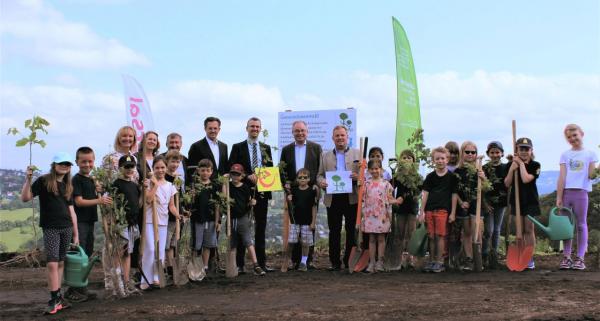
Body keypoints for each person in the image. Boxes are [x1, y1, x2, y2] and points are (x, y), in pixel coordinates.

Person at [21, 152, 79, 315]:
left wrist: (76, 234)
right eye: (61, 163)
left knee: (60, 262)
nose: (64, 166)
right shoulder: (44, 181)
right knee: (52, 263)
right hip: (51, 227)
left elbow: (72, 211)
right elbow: (25, 198)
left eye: (67, 164)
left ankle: (58, 297)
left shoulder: (68, 186)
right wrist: (28, 179)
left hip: (66, 227)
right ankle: (53, 299)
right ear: (54, 165)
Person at [64, 147, 111, 302]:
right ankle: (73, 290)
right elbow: (79, 201)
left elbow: (95, 194)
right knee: (80, 256)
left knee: (87, 254)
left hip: (89, 222)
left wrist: (99, 189)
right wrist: (99, 200)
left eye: (90, 161)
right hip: (80, 224)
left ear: (94, 161)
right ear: (77, 162)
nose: (87, 164)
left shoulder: (91, 179)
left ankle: (81, 288)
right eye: (83, 161)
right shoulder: (76, 180)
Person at [229, 117, 274, 272]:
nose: (255, 129)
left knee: (261, 228)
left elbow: (270, 169)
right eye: (252, 126)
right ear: (246, 128)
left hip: (261, 193)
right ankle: (240, 265)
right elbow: (232, 168)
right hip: (242, 193)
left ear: (260, 129)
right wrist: (247, 175)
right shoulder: (237, 147)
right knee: (241, 228)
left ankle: (261, 263)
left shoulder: (266, 148)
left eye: (257, 126)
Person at [279, 120, 322, 269]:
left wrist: (316, 184)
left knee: (309, 225)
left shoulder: (316, 148)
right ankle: (295, 260)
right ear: (292, 132)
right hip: (294, 192)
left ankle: (307, 260)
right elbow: (282, 171)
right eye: (297, 131)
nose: (300, 133)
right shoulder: (286, 149)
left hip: (310, 191)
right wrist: (286, 186)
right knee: (295, 223)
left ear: (307, 132)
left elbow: (319, 169)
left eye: (302, 130)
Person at [317, 125, 360, 271]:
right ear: (333, 138)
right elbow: (319, 175)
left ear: (347, 137)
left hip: (351, 197)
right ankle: (334, 262)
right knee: (334, 230)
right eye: (337, 136)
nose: (340, 138)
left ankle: (349, 260)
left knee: (350, 230)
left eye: (342, 135)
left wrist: (358, 177)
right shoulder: (325, 156)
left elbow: (365, 175)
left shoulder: (357, 154)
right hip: (332, 198)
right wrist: (321, 182)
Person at [556, 124, 598, 270]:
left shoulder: (590, 154)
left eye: (575, 135)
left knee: (581, 224)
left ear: (582, 134)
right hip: (566, 193)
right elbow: (562, 177)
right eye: (569, 137)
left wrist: (596, 170)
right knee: (566, 227)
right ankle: (566, 257)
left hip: (581, 193)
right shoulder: (565, 155)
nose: (572, 139)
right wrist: (559, 197)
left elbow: (591, 176)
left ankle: (580, 258)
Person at [141, 155, 180, 290]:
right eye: (157, 168)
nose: (160, 170)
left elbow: (171, 206)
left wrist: (178, 215)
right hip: (150, 221)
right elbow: (148, 200)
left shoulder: (170, 186)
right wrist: (155, 185)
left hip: (163, 222)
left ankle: (157, 277)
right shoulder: (148, 183)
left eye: (162, 167)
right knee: (151, 250)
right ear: (153, 169)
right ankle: (145, 280)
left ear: (166, 168)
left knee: (160, 252)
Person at [418, 147, 459, 273]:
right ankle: (432, 260)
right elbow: (425, 194)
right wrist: (421, 212)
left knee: (440, 236)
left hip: (443, 211)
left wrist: (452, 212)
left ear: (447, 160)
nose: (440, 161)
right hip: (430, 210)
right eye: (437, 158)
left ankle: (440, 261)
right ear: (433, 160)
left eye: (442, 158)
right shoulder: (430, 177)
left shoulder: (452, 177)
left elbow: (454, 195)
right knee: (431, 236)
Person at [504, 137, 540, 270]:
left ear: (531, 150)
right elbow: (507, 183)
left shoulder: (535, 165)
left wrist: (521, 164)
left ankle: (529, 257)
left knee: (528, 229)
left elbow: (526, 179)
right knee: (519, 230)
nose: (524, 152)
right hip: (516, 201)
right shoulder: (511, 165)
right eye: (521, 149)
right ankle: (520, 255)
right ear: (516, 150)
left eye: (527, 149)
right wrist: (512, 168)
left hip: (530, 201)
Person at [453, 141, 487, 271]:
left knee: (477, 232)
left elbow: (486, 190)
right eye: (467, 152)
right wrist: (461, 202)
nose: (471, 154)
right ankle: (469, 259)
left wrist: (483, 179)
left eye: (473, 152)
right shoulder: (457, 171)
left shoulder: (480, 171)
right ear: (462, 153)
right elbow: (455, 191)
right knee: (466, 233)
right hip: (464, 206)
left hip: (477, 205)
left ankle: (478, 259)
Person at [227, 163, 266, 276]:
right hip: (231, 219)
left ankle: (256, 265)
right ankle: (233, 266)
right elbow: (224, 197)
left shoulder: (245, 187)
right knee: (232, 243)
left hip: (243, 218)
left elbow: (249, 200)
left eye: (237, 174)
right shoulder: (228, 186)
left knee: (248, 241)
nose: (235, 176)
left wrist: (252, 202)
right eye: (233, 174)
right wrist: (225, 181)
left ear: (242, 175)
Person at [111, 155, 142, 295]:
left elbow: (139, 204)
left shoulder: (135, 186)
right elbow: (111, 206)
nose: (130, 169)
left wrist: (145, 189)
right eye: (127, 167)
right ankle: (118, 285)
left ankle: (127, 280)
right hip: (121, 224)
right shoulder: (116, 184)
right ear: (120, 168)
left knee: (128, 252)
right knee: (120, 252)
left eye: (132, 167)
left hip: (133, 224)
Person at [282, 168, 319, 272]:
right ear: (297, 179)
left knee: (305, 243)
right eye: (300, 177)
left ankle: (303, 262)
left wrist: (313, 222)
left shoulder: (312, 191)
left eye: (305, 177)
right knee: (291, 241)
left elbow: (314, 207)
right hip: (295, 221)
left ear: (309, 179)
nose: (302, 179)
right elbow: (289, 205)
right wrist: (288, 198)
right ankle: (287, 260)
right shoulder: (294, 190)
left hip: (307, 222)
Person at [362, 160, 396, 273]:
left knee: (381, 238)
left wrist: (395, 204)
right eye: (372, 169)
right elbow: (362, 199)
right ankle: (371, 262)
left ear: (381, 169)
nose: (375, 171)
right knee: (371, 239)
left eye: (377, 168)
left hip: (382, 215)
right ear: (369, 170)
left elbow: (390, 199)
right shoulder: (366, 184)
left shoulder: (386, 184)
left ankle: (380, 262)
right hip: (370, 215)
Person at [189, 159, 221, 270]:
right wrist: (191, 197)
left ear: (211, 171)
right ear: (198, 171)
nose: (205, 173)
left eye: (208, 170)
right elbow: (190, 204)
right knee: (197, 245)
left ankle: (205, 266)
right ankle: (195, 266)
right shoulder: (194, 186)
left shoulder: (214, 186)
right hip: (198, 219)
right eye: (203, 170)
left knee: (207, 244)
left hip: (211, 220)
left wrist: (217, 221)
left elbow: (217, 205)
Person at [392, 149, 421, 269]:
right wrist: (394, 201)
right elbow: (390, 189)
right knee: (400, 233)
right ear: (400, 161)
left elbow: (420, 191)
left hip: (412, 207)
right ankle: (399, 258)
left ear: (413, 161)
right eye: (404, 157)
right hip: (401, 208)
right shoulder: (397, 176)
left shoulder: (417, 177)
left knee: (411, 233)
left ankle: (410, 257)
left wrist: (416, 195)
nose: (407, 160)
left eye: (409, 158)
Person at [482, 141, 508, 269]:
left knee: (497, 230)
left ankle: (494, 255)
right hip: (488, 204)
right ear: (488, 154)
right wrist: (485, 203)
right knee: (488, 230)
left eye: (497, 152)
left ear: (502, 153)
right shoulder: (484, 169)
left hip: (501, 203)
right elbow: (481, 188)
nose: (495, 155)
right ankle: (484, 254)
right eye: (492, 152)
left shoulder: (506, 167)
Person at [163, 150, 184, 279]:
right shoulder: (164, 177)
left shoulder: (178, 179)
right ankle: (167, 266)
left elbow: (179, 197)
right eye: (172, 161)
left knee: (172, 244)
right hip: (167, 215)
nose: (175, 164)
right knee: (166, 244)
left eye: (177, 162)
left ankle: (171, 268)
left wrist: (182, 211)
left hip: (177, 214)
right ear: (167, 162)